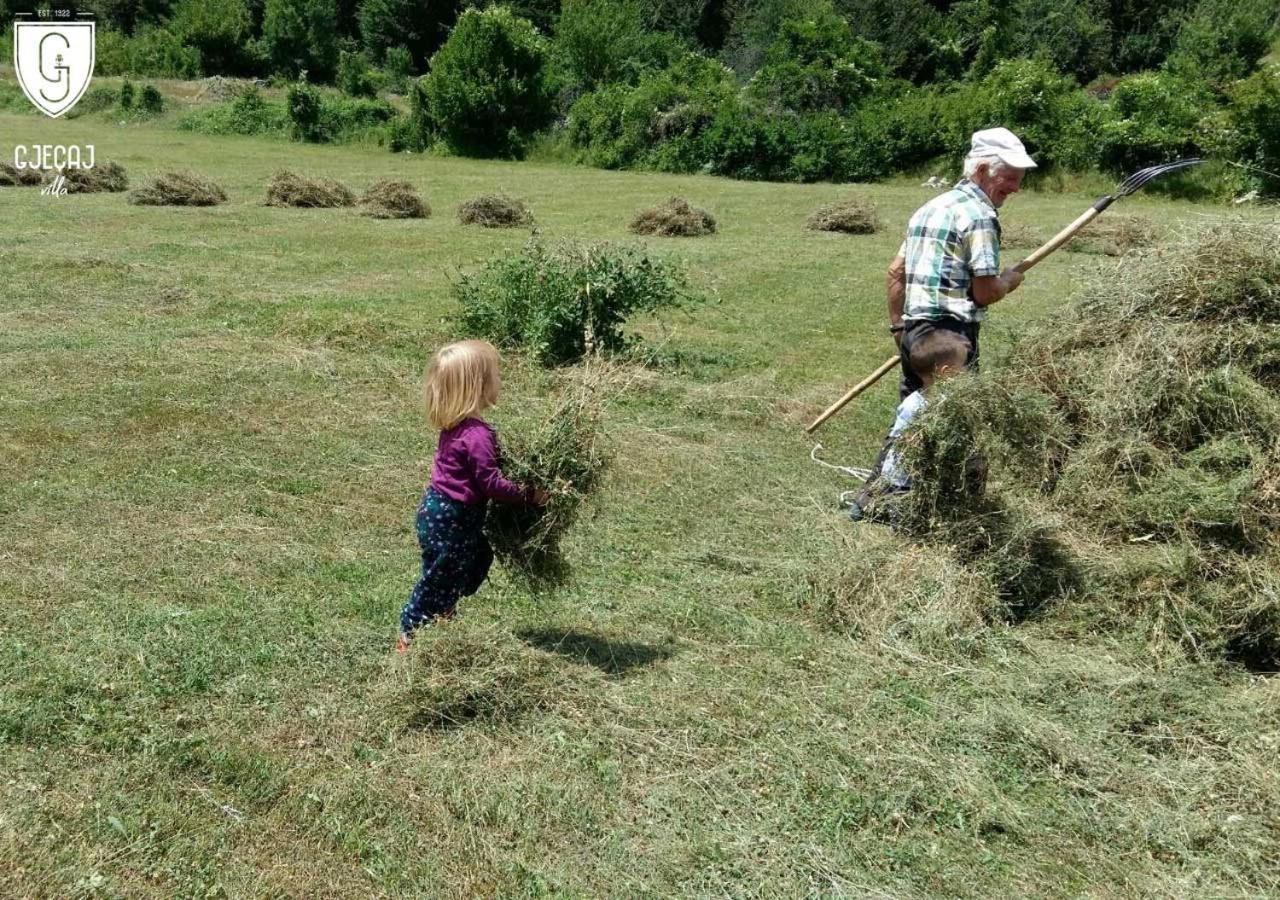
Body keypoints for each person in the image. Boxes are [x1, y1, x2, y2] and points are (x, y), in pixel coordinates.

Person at [397, 340, 547, 652]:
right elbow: (491, 484)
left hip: (438, 512)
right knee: (439, 576)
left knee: (475, 558)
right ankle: (410, 633)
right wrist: (530, 495)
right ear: (477, 386)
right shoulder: (477, 436)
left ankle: (443, 607)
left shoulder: (458, 426)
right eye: (495, 376)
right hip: (452, 517)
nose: (499, 381)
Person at [886, 127, 1036, 399]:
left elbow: (896, 271)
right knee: (954, 425)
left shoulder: (931, 208)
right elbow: (985, 292)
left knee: (911, 419)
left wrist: (899, 327)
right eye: (1010, 178)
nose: (1016, 188)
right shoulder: (979, 217)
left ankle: (894, 445)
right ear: (981, 170)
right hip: (949, 339)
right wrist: (1008, 281)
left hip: (914, 333)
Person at [849, 329, 973, 522]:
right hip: (903, 478)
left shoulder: (945, 400)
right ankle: (869, 508)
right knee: (906, 520)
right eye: (963, 366)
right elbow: (900, 442)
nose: (966, 370)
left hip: (924, 476)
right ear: (946, 373)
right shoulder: (913, 406)